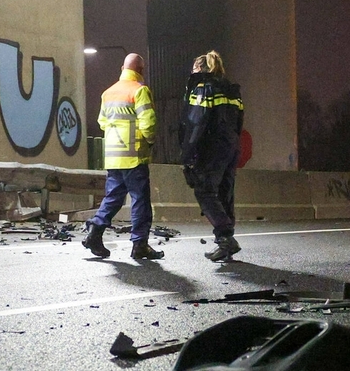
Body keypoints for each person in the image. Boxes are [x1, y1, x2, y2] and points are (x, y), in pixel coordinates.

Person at [83, 53, 164, 261]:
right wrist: (150, 142)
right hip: (134, 156)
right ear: (141, 71)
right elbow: (148, 124)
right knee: (140, 200)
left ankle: (95, 232)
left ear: (122, 69)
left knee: (113, 198)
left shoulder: (108, 93)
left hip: (112, 157)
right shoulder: (139, 91)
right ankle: (140, 244)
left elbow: (102, 122)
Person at [180, 50, 245, 262]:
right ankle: (226, 242)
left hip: (211, 148)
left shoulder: (202, 89)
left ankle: (225, 237)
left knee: (204, 191)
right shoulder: (232, 89)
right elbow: (239, 122)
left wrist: (188, 156)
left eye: (194, 69)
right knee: (225, 192)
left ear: (200, 69)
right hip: (231, 146)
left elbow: (196, 124)